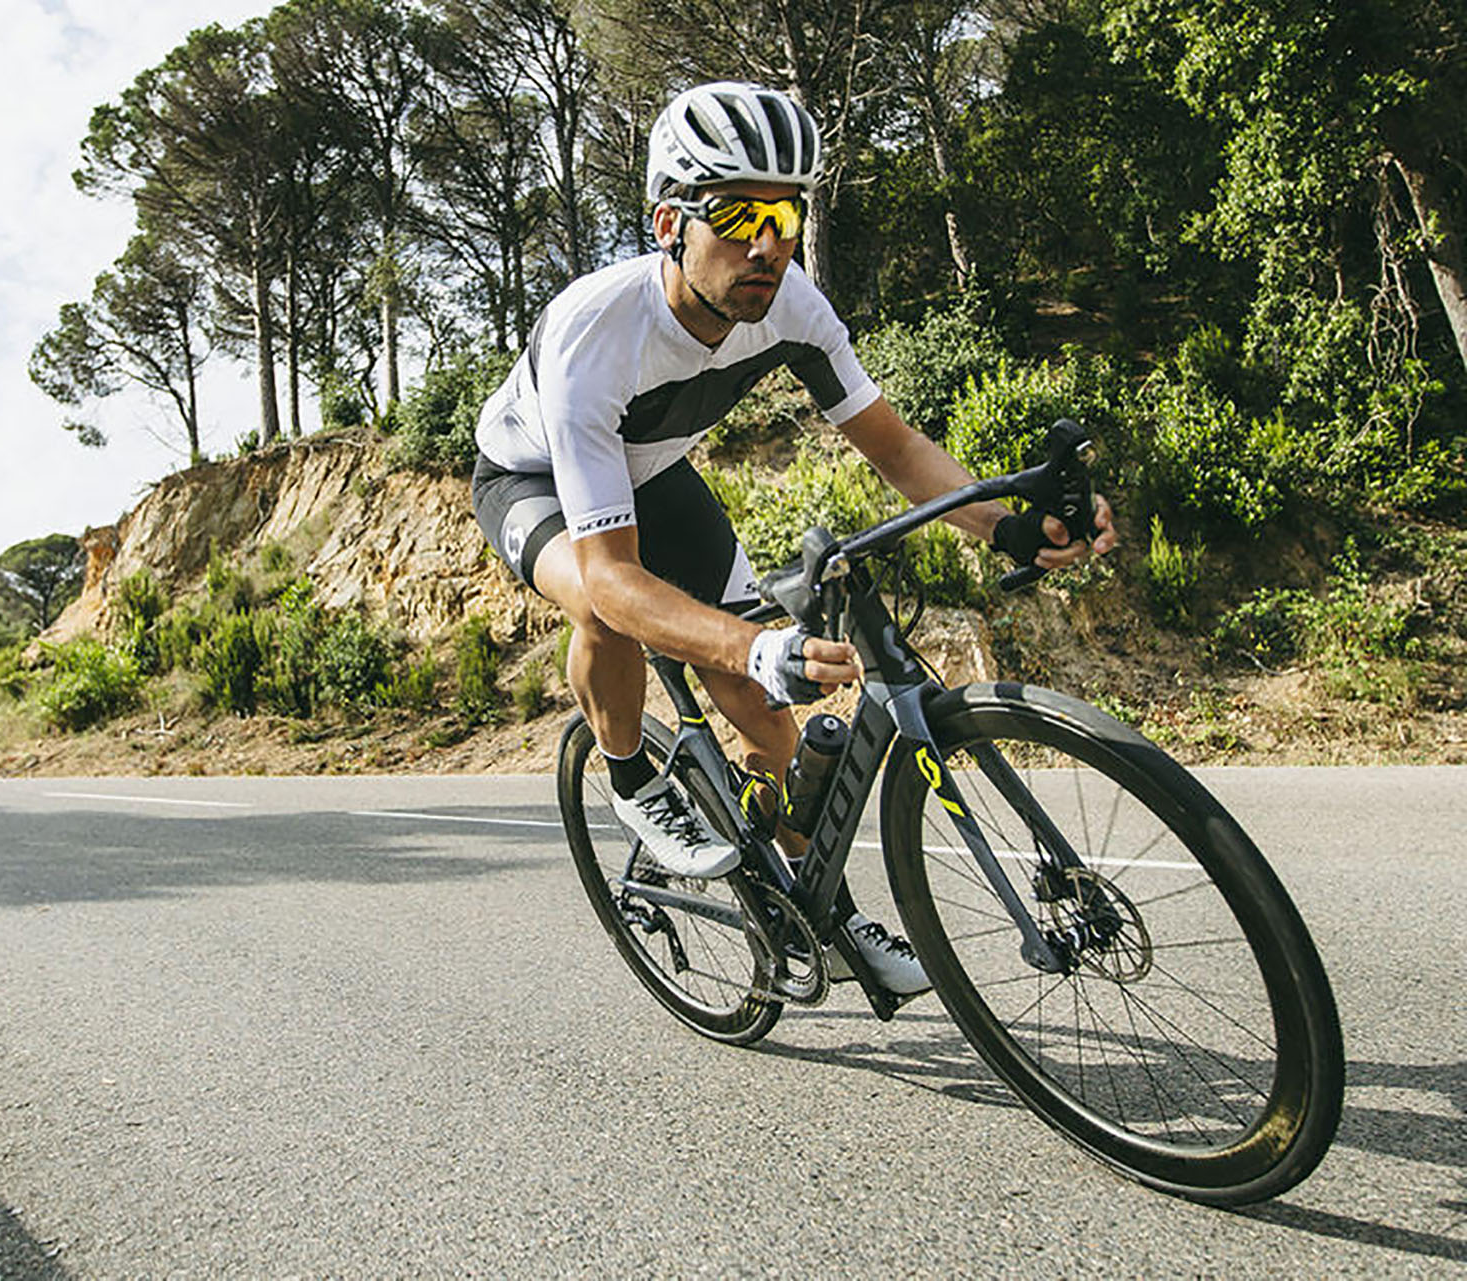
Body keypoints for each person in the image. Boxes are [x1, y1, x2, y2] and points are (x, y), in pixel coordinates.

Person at [471, 81, 1117, 996]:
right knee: (606, 609)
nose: (768, 243)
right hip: (529, 478)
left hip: (655, 473)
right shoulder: (596, 332)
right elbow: (613, 576)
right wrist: (751, 642)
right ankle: (629, 776)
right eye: (739, 214)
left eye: (785, 215)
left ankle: (821, 911)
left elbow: (895, 447)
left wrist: (1009, 524)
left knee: (767, 713)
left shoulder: (792, 305)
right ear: (668, 223)